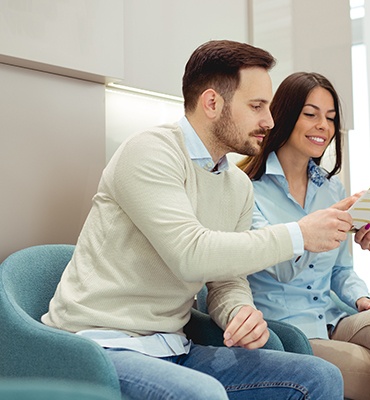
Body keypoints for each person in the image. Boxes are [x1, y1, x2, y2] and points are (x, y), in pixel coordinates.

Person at [41, 40, 351, 400]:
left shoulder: (236, 184)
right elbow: (191, 254)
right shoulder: (150, 153)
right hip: (100, 347)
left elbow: (225, 279)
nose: (269, 121)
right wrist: (299, 235)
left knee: (320, 378)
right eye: (256, 106)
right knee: (203, 395)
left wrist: (239, 311)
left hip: (174, 347)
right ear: (212, 103)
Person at [239, 71, 370, 400]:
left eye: (331, 118)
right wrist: (323, 224)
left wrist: (360, 299)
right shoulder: (247, 190)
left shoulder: (331, 187)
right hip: (289, 330)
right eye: (311, 114)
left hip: (333, 320)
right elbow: (280, 266)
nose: (323, 125)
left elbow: (340, 270)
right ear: (284, 115)